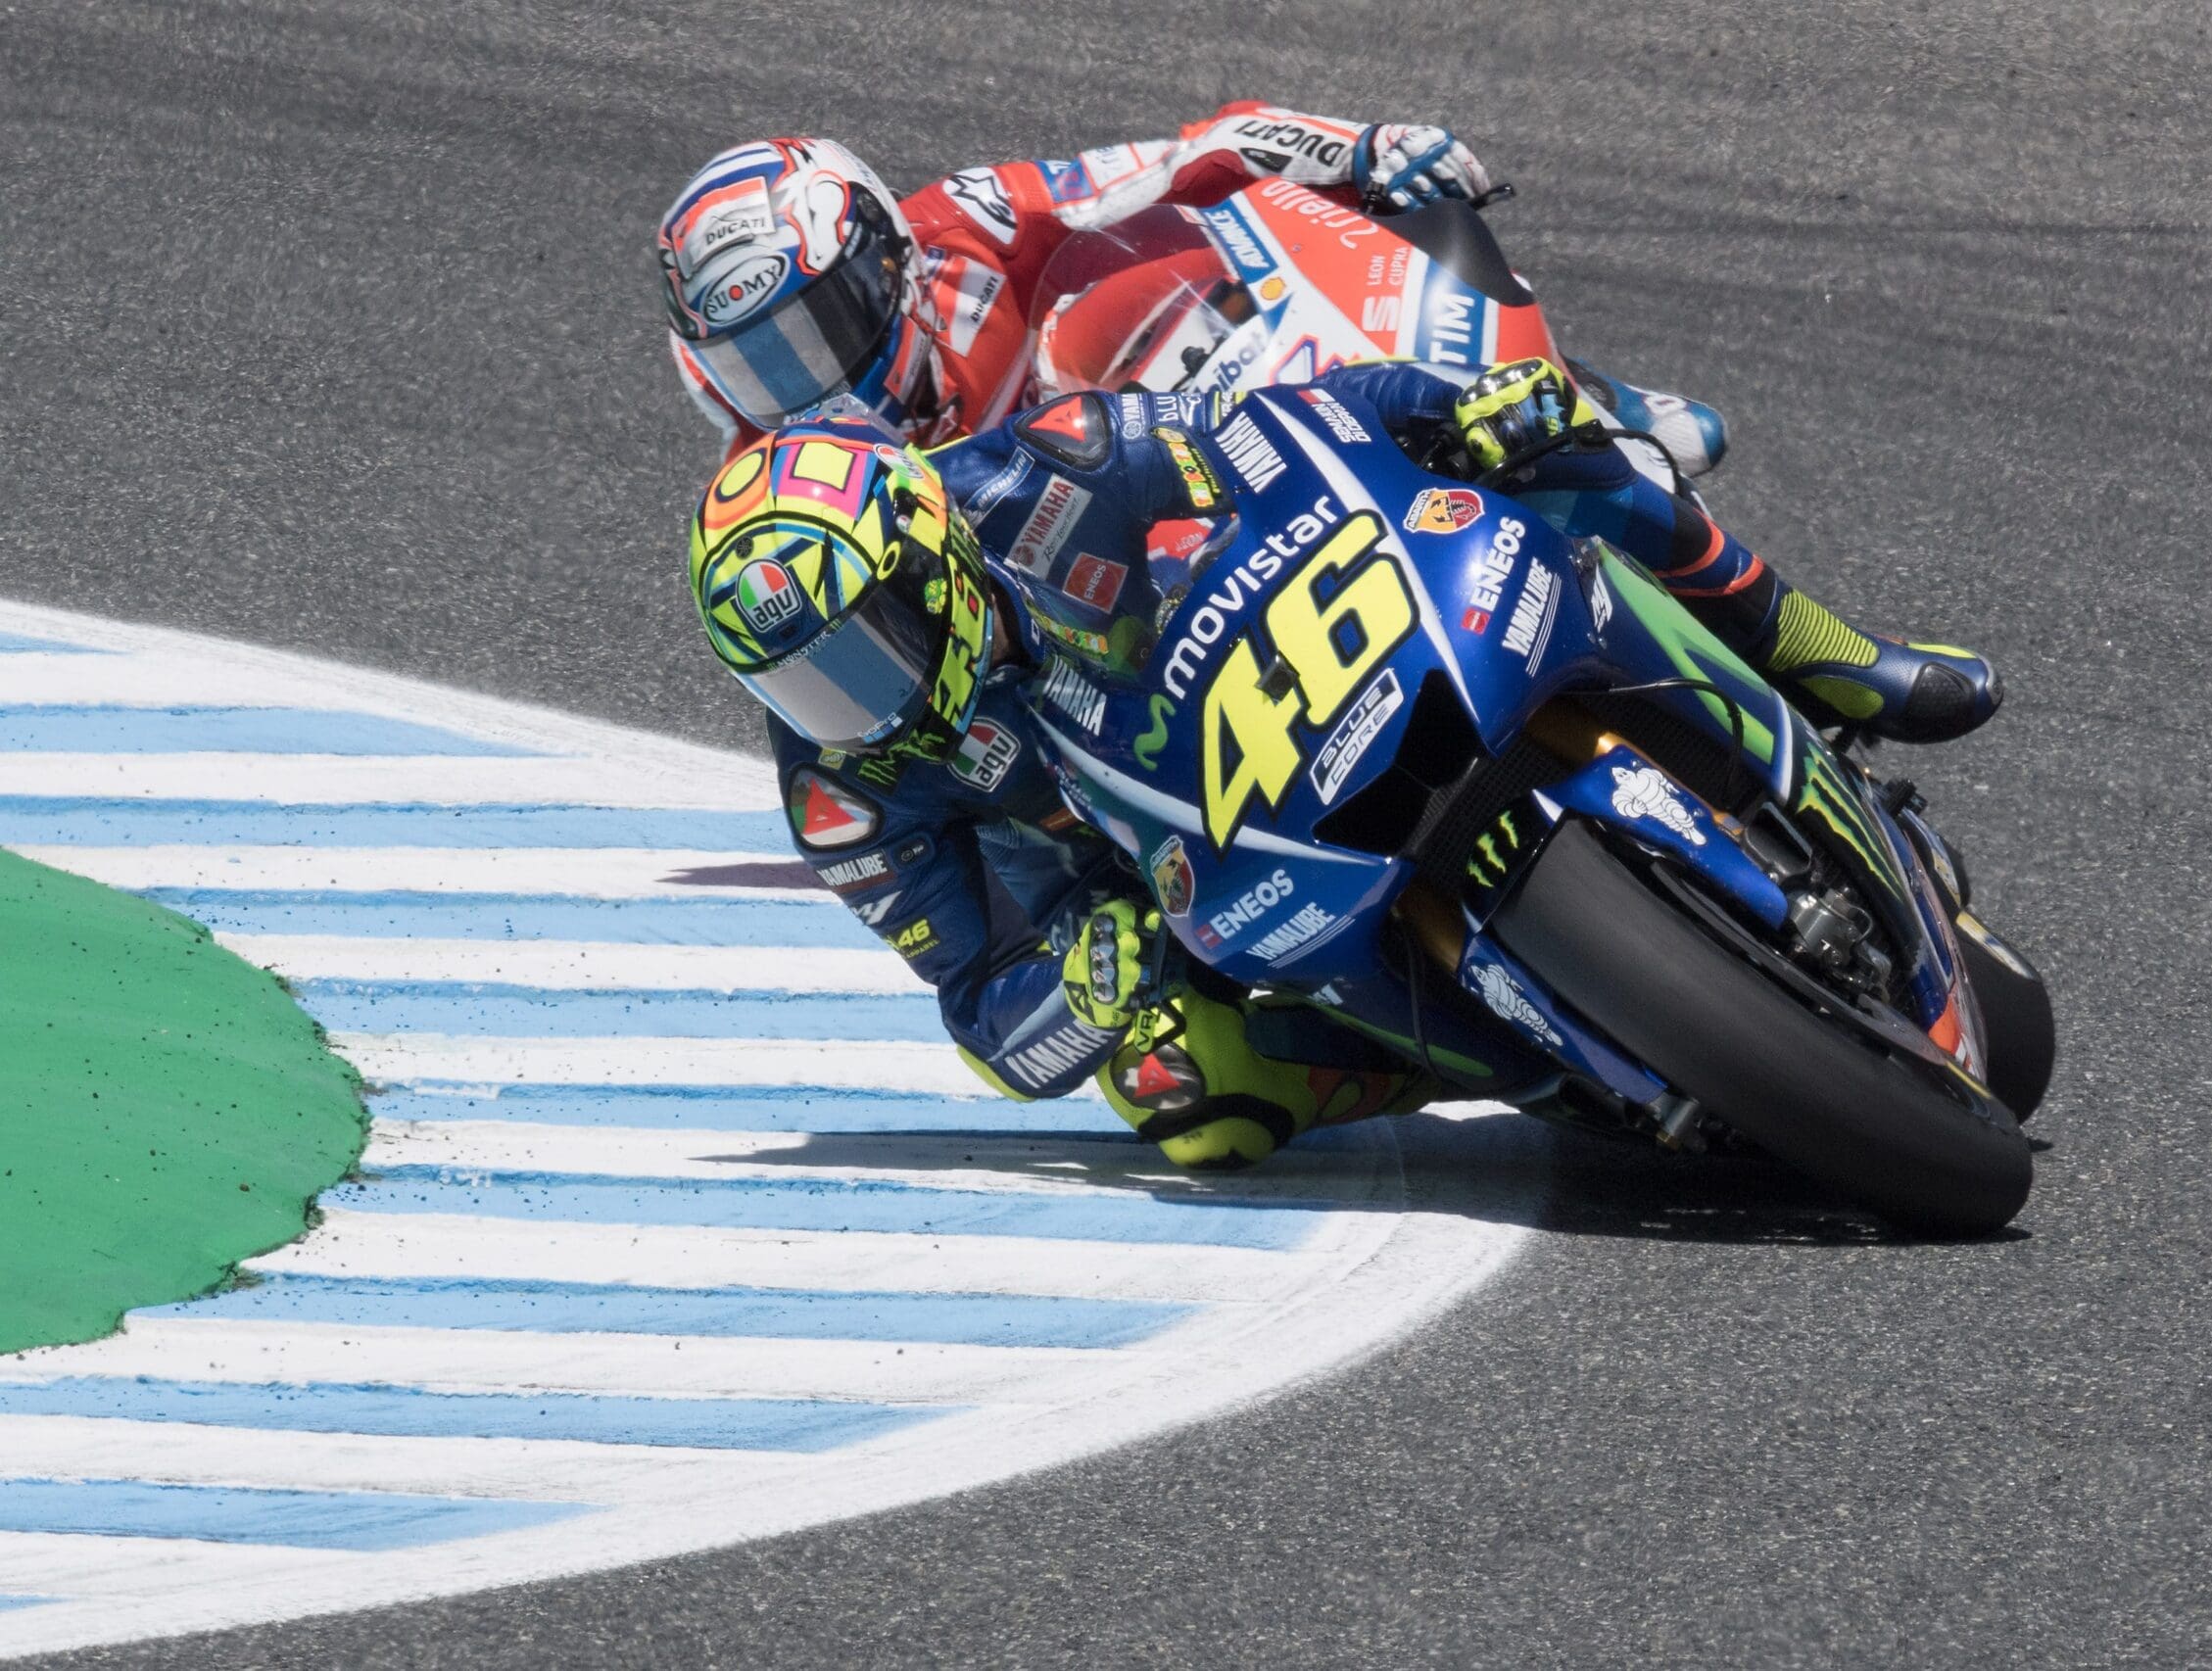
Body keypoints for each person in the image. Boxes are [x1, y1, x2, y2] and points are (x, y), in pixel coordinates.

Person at [683, 358, 1997, 1168]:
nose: (855, 703)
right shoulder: (841, 791)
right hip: (1184, 883)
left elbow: (1289, 421)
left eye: (866, 647)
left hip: (1293, 670)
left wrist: (1451, 409)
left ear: (927, 557)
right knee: (1182, 1097)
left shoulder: (1054, 458)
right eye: (802, 683)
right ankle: (1509, 1067)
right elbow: (985, 1018)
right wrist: (1081, 987)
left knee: (1551, 444)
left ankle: (1828, 652)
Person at [653, 109, 1729, 480]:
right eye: (762, 365)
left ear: (885, 260)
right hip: (1079, 581)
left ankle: (1562, 390)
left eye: (816, 332)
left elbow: (1186, 159)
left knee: (1110, 288)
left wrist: (1359, 149)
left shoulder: (964, 223)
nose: (809, 386)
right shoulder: (777, 483)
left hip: (1157, 420)